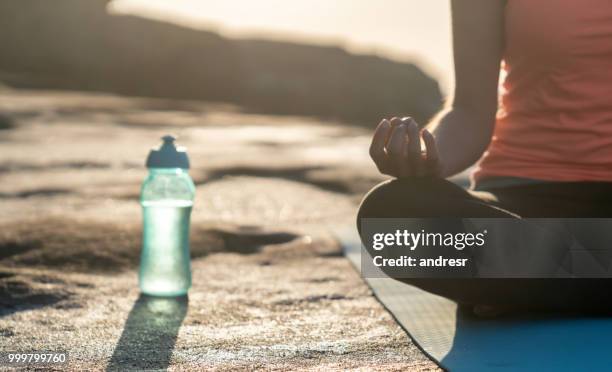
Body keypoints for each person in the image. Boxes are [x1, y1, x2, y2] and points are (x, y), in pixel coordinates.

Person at [357, 0, 612, 315]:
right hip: (522, 207)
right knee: (390, 218)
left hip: (552, 243)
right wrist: (426, 158)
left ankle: (535, 286)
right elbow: (469, 110)